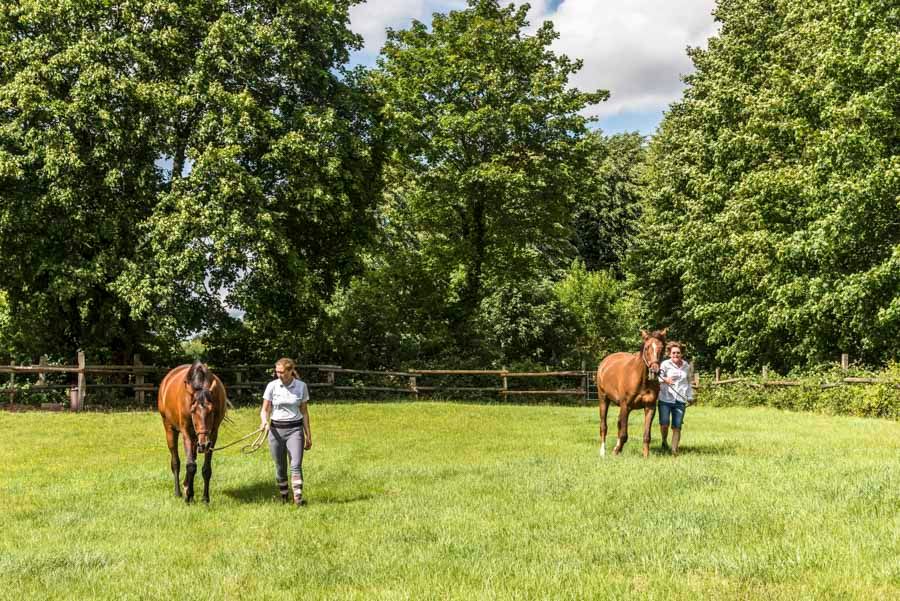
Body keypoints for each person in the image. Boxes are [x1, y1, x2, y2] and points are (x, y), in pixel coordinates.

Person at [260, 358, 312, 505]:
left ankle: (298, 500)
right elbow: (264, 410)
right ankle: (284, 497)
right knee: (280, 466)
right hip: (276, 430)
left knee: (295, 464)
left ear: (290, 371)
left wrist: (308, 435)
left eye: (282, 372)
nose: (279, 375)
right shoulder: (272, 386)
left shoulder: (301, 386)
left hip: (295, 429)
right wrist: (264, 421)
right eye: (277, 372)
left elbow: (305, 412)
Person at [658, 342, 694, 456]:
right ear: (669, 354)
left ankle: (674, 450)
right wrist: (665, 380)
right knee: (664, 424)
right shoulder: (664, 364)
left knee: (677, 426)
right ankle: (664, 440)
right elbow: (657, 377)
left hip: (680, 400)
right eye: (673, 353)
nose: (676, 355)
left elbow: (688, 383)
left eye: (678, 353)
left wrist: (690, 396)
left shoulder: (686, 366)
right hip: (665, 399)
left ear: (681, 354)